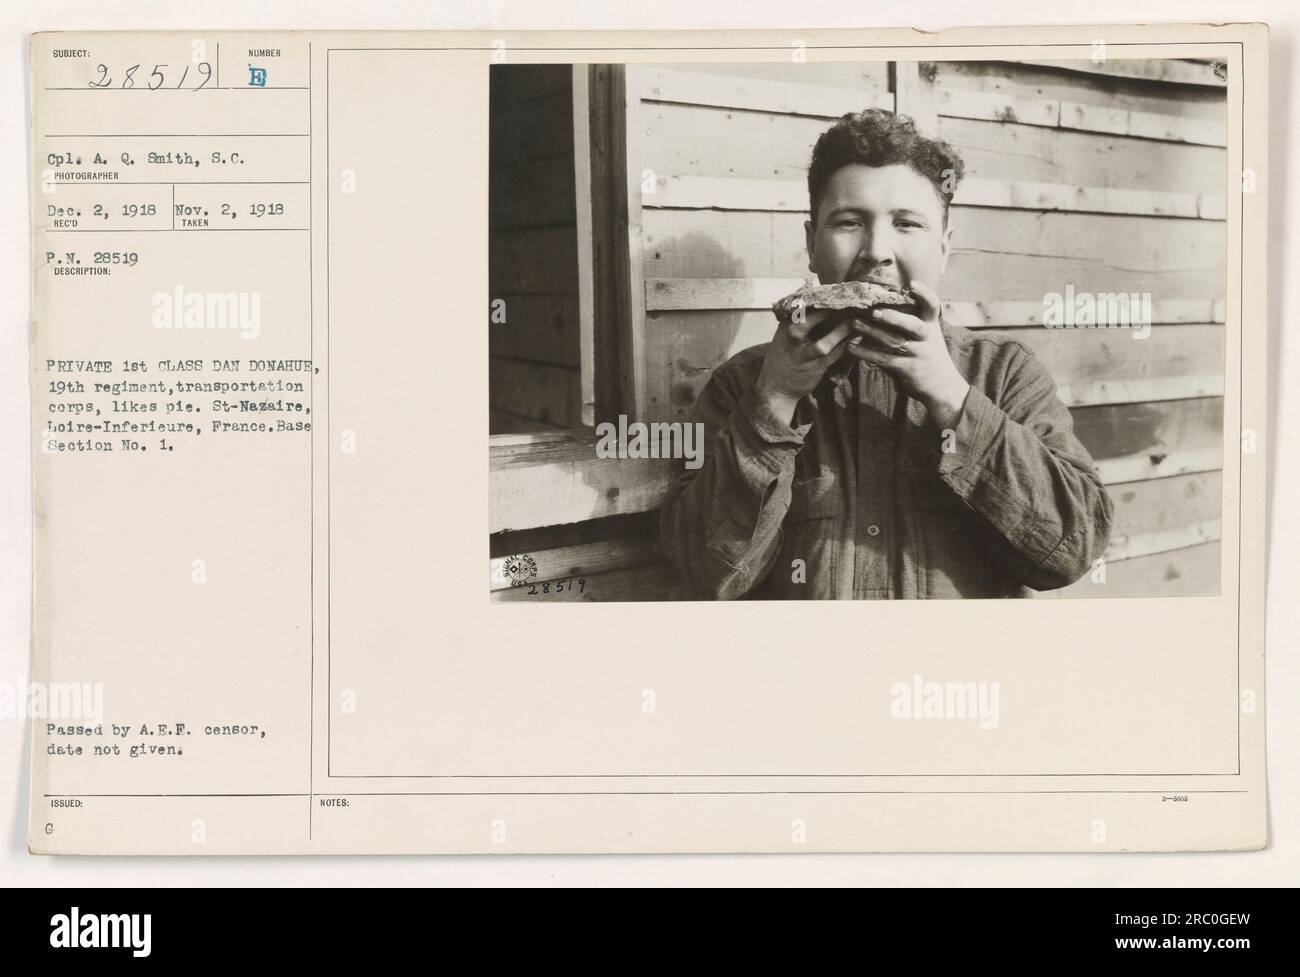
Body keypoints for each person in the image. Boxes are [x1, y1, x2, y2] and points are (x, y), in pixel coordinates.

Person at [659, 108, 1113, 600]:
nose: (877, 250)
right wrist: (774, 401)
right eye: (850, 221)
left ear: (944, 247)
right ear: (812, 245)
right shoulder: (743, 384)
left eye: (907, 224)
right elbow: (709, 573)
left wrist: (951, 399)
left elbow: (1072, 551)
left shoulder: (1004, 374)